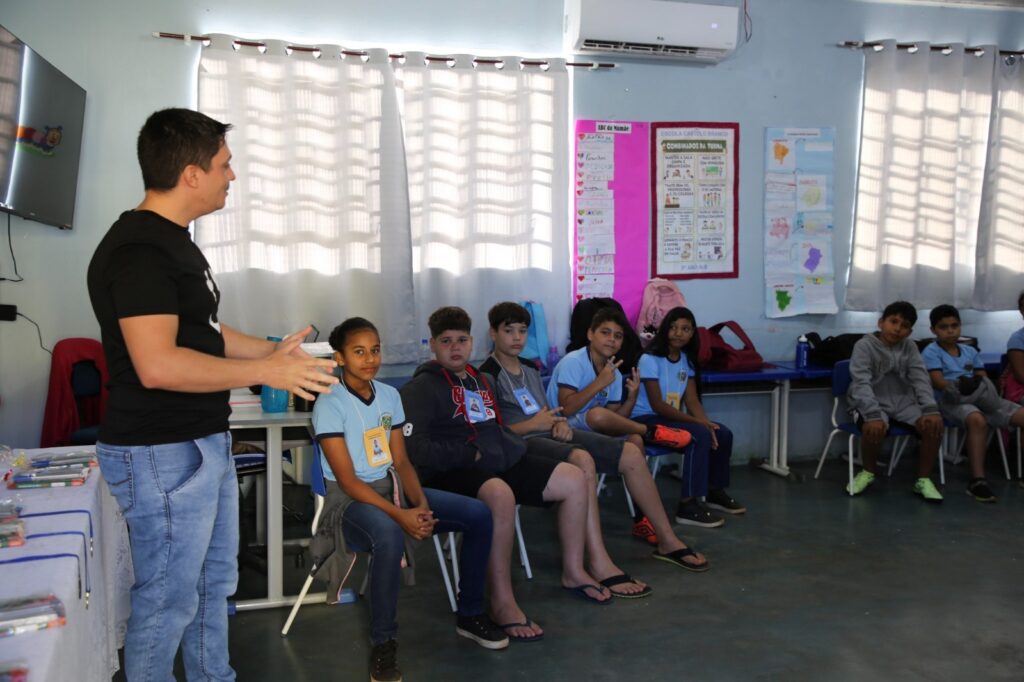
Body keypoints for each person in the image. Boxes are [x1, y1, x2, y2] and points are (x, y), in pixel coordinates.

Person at [86, 108, 338, 681]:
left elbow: (208, 335)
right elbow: (157, 364)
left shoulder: (175, 244)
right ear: (191, 174)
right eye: (225, 165)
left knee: (211, 585)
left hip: (200, 442)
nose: (233, 175)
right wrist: (268, 374)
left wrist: (274, 354)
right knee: (168, 599)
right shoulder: (139, 251)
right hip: (161, 451)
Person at [400, 306, 612, 644]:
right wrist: (468, 453)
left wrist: (513, 447)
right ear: (433, 346)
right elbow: (415, 451)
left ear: (471, 341)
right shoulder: (420, 388)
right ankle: (501, 601)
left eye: (462, 340)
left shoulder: (481, 380)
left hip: (495, 462)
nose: (455, 347)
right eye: (446, 341)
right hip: (449, 472)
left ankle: (574, 572)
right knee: (500, 493)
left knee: (573, 479)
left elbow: (496, 430)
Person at [313, 318, 507, 682]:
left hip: (394, 491)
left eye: (375, 350)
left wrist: (418, 506)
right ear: (339, 357)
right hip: (350, 502)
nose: (370, 359)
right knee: (387, 534)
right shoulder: (329, 402)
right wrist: (401, 517)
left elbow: (400, 461)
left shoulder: (389, 396)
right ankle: (384, 644)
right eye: (358, 352)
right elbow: (348, 479)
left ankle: (470, 614)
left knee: (478, 514)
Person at [480, 302, 707, 574]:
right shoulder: (486, 375)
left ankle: (667, 539)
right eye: (509, 331)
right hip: (524, 443)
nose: (517, 337)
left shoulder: (529, 367)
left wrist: (559, 422)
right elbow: (490, 433)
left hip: (554, 432)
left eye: (523, 331)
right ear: (493, 333)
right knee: (583, 456)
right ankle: (598, 560)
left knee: (632, 451)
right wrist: (536, 424)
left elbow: (551, 411)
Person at [632, 307, 746, 528]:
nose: (678, 333)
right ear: (665, 330)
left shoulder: (687, 360)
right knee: (698, 434)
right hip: (645, 421)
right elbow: (658, 405)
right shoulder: (649, 359)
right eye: (673, 328)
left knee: (722, 433)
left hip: (671, 419)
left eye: (685, 329)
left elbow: (692, 401)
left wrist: (707, 423)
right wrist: (699, 424)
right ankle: (688, 505)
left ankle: (714, 491)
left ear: (692, 333)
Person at [922, 305, 1024, 502]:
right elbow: (938, 382)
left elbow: (982, 377)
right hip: (951, 400)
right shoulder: (931, 352)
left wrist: (977, 387)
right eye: (944, 327)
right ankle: (978, 480)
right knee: (977, 419)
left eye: (954, 325)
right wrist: (962, 385)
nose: (951, 331)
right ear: (933, 330)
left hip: (980, 397)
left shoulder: (969, 351)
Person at [846, 301, 944, 502]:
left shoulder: (910, 347)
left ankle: (923, 480)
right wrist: (872, 414)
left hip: (903, 402)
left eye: (904, 325)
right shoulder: (864, 346)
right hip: (871, 401)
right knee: (874, 427)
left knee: (932, 425)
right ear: (881, 322)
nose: (898, 328)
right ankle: (867, 472)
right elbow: (861, 383)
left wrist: (930, 409)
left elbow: (920, 378)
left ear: (909, 331)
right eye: (893, 321)